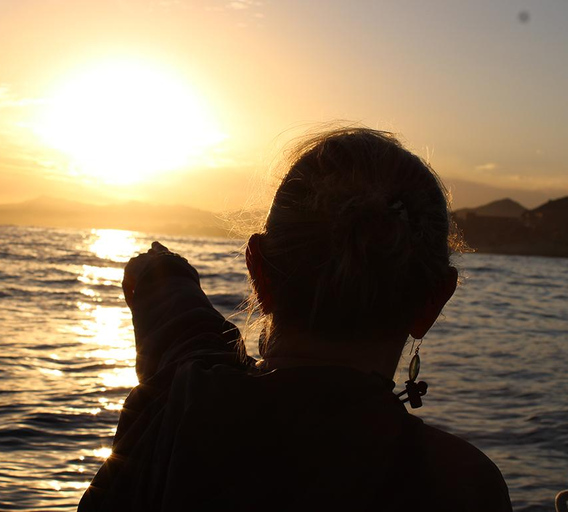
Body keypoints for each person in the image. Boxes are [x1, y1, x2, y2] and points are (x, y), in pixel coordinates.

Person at [78, 128, 512, 511]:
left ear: (258, 271)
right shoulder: (462, 486)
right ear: (433, 301)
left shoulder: (169, 411)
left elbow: (183, 334)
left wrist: (162, 272)